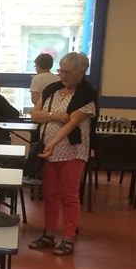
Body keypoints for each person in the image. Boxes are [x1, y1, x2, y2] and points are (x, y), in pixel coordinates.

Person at [27, 52, 97, 256]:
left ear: (81, 73)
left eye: (68, 72)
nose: (63, 76)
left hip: (72, 152)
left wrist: (54, 143)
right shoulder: (52, 90)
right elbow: (35, 115)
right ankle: (49, 234)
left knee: (69, 195)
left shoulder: (86, 95)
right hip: (49, 152)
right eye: (61, 71)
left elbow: (71, 123)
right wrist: (53, 115)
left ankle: (68, 238)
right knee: (49, 193)